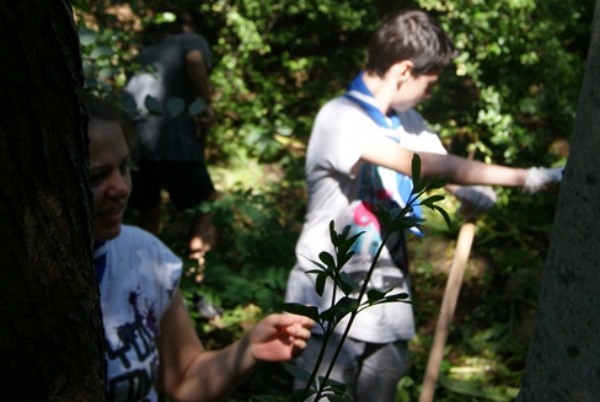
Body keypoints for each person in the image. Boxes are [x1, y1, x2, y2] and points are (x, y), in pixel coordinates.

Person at [284, 9, 562, 402]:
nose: (430, 95)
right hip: (328, 306)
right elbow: (418, 163)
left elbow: (444, 168)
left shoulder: (406, 122)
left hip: (386, 309)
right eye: (429, 85)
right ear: (403, 71)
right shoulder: (339, 116)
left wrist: (470, 191)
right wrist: (528, 177)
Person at [85, 94, 313, 402]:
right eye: (97, 176)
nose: (122, 187)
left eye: (124, 168)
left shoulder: (145, 255)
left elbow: (185, 379)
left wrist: (249, 350)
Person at [123, 15, 216, 266]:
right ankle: (198, 271)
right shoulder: (193, 41)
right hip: (172, 139)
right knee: (206, 202)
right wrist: (206, 104)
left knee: (149, 207)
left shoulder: (147, 54)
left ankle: (141, 270)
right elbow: (195, 61)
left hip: (133, 139)